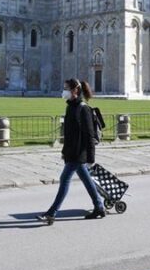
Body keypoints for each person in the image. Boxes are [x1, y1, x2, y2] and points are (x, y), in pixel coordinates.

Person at [36, 78, 105, 224]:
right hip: (71, 152)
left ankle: (51, 213)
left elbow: (89, 135)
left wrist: (91, 158)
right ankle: (99, 206)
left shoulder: (83, 108)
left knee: (64, 179)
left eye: (67, 88)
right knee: (87, 180)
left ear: (75, 90)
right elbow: (69, 133)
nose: (64, 91)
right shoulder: (70, 107)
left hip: (79, 153)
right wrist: (64, 150)